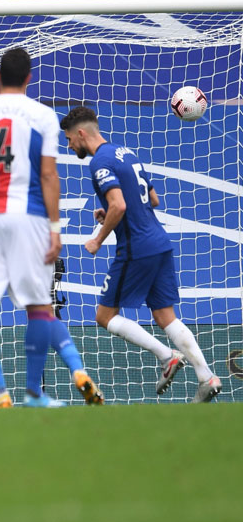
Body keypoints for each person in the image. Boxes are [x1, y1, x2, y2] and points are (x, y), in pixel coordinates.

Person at [0, 79, 103, 408]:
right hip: (31, 227)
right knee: (42, 310)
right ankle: (70, 374)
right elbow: (48, 177)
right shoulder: (33, 125)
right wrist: (53, 229)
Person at [59, 106, 221, 402]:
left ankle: (166, 356)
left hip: (137, 248)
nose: (69, 146)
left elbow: (119, 206)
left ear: (82, 133)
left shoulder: (99, 163)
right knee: (165, 316)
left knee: (105, 315)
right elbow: (153, 199)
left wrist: (97, 239)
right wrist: (108, 211)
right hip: (159, 241)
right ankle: (206, 376)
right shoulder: (126, 152)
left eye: (70, 139)